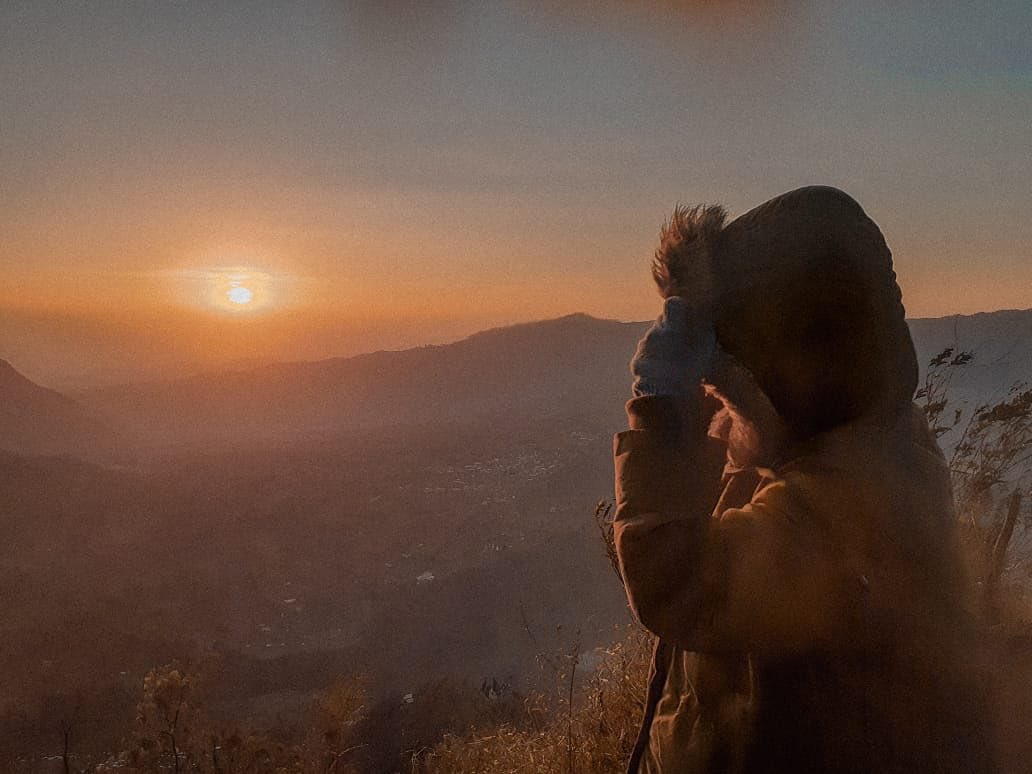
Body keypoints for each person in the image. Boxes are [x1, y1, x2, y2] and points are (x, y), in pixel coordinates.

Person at [613, 186, 997, 773]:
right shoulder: (850, 452)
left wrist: (662, 409)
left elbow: (675, 581)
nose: (713, 396)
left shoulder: (845, 506)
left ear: (798, 377)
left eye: (727, 375)